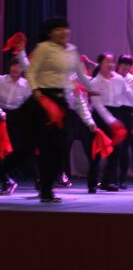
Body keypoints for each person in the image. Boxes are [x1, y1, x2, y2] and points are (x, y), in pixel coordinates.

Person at [8, 17, 95, 203]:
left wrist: (93, 89)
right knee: (27, 149)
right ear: (50, 33)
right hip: (42, 100)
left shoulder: (72, 51)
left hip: (61, 103)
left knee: (59, 149)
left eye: (65, 28)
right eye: (58, 29)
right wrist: (36, 90)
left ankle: (47, 190)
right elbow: (30, 71)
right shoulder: (44, 48)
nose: (63, 32)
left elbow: (81, 75)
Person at [88, 53, 133, 192]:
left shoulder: (119, 80)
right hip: (101, 116)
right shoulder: (95, 82)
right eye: (107, 62)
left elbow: (132, 96)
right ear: (100, 64)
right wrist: (112, 121)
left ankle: (108, 181)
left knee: (116, 150)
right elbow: (98, 105)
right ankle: (92, 182)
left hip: (116, 113)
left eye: (112, 62)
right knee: (98, 150)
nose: (110, 65)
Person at [0, 54, 33, 194]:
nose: (16, 69)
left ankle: (8, 180)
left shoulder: (26, 84)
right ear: (9, 66)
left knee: (14, 151)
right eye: (14, 65)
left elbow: (29, 105)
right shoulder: (1, 80)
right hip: (1, 116)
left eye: (19, 66)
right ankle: (7, 180)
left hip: (17, 119)